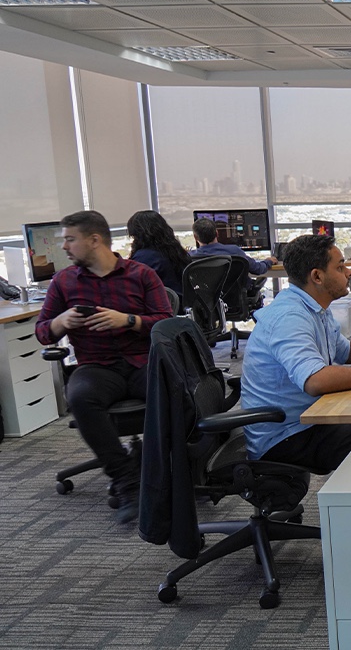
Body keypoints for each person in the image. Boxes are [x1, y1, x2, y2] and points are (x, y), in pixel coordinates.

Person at [35, 210, 174, 523]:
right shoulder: (64, 281)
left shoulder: (140, 274)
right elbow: (43, 332)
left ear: (94, 240)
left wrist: (128, 320)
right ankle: (126, 478)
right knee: (80, 396)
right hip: (96, 365)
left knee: (178, 387)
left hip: (141, 360)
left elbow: (167, 323)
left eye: (70, 240)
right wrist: (59, 321)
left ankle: (175, 467)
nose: (65, 247)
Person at [240, 234, 351, 473]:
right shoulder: (290, 317)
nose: (349, 273)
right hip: (286, 437)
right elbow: (316, 380)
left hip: (311, 418)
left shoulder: (315, 307)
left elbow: (344, 351)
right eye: (340, 267)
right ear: (317, 276)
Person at [191, 217, 276, 288]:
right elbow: (258, 269)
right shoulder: (234, 252)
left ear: (195, 237)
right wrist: (269, 261)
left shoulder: (189, 258)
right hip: (236, 301)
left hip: (207, 304)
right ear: (217, 233)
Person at [128, 210, 192, 297]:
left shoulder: (143, 258)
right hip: (182, 305)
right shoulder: (176, 251)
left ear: (137, 235)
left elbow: (132, 289)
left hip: (162, 307)